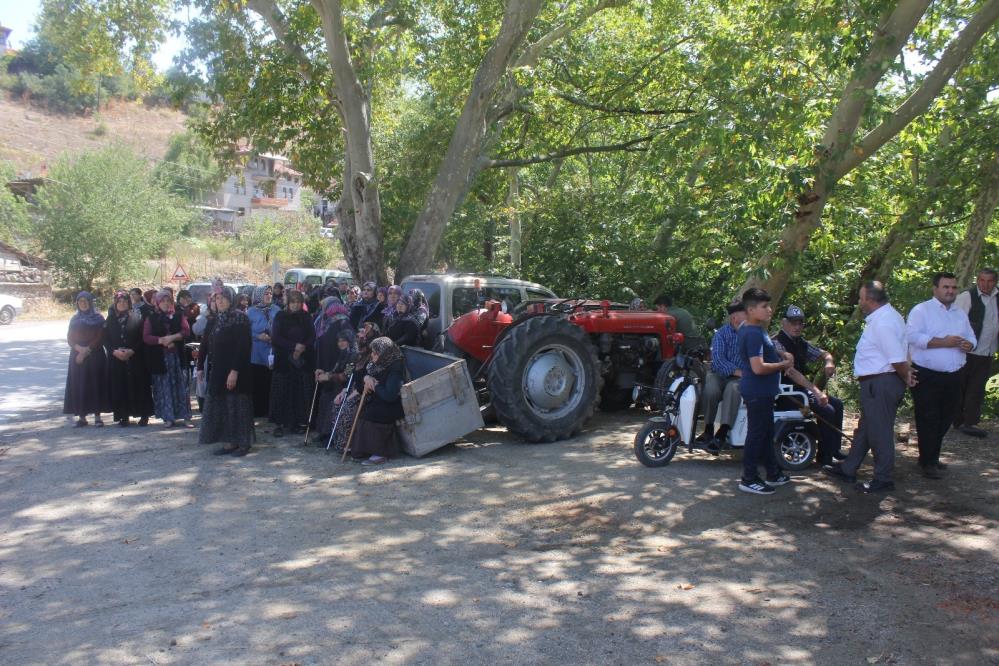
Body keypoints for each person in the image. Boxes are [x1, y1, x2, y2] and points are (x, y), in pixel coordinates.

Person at [824, 281, 915, 493]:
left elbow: (896, 358)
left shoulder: (884, 322)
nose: (859, 301)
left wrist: (906, 377)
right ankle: (848, 468)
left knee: (879, 432)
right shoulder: (886, 317)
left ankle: (883, 479)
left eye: (861, 297)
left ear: (870, 300)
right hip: (878, 382)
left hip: (881, 382)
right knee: (866, 428)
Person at [906, 272, 975, 479]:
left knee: (948, 416)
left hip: (954, 374)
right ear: (935, 288)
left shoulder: (959, 313)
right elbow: (912, 336)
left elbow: (971, 337)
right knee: (928, 417)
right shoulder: (921, 310)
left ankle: (930, 456)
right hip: (927, 374)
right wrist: (943, 342)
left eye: (953, 287)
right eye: (946, 287)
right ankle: (928, 462)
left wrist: (969, 344)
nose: (950, 291)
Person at [735, 288, 794, 495]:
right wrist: (783, 364)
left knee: (767, 432)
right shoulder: (752, 332)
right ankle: (749, 478)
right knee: (757, 434)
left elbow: (762, 349)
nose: (770, 309)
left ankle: (773, 473)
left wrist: (779, 353)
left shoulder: (752, 327)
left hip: (764, 392)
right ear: (751, 310)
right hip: (757, 391)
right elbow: (758, 367)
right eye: (764, 306)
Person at [771, 305, 846, 466]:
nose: (797, 327)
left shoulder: (801, 343)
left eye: (800, 323)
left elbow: (824, 353)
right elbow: (791, 372)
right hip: (786, 395)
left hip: (801, 392)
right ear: (784, 322)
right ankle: (824, 458)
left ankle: (833, 449)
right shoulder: (776, 343)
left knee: (838, 405)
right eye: (793, 323)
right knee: (827, 410)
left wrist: (829, 362)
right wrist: (816, 391)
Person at [199, 287, 255, 455]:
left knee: (238, 405)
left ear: (231, 299)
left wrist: (235, 371)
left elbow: (243, 347)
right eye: (217, 298)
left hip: (236, 369)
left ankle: (243, 443)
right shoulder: (215, 319)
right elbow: (205, 344)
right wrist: (200, 365)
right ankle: (229, 442)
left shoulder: (240, 318)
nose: (220, 301)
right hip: (218, 369)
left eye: (223, 298)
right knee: (223, 406)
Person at [953, 267, 998, 438]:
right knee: (961, 386)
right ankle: (957, 420)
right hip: (967, 350)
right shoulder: (967, 297)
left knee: (977, 388)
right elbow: (955, 320)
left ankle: (970, 422)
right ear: (977, 280)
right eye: (982, 280)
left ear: (995, 282)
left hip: (987, 350)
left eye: (989, 281)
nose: (985, 284)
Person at [348, 337, 405, 465]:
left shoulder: (394, 368)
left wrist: (375, 385)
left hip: (391, 405)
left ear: (384, 353)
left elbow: (390, 395)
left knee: (372, 414)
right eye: (372, 352)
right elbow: (362, 382)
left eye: (375, 353)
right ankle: (362, 450)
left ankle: (381, 453)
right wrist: (367, 378)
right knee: (362, 411)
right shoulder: (376, 365)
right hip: (379, 400)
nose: (372, 355)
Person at [699, 300, 746, 450]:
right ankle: (708, 429)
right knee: (710, 390)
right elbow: (718, 360)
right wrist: (737, 371)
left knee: (732, 389)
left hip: (739, 378)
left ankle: (722, 432)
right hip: (720, 374)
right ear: (734, 318)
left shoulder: (752, 333)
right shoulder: (721, 334)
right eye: (745, 314)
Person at [104, 291, 154, 427]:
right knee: (120, 386)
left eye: (125, 302)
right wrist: (114, 351)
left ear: (129, 303)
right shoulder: (110, 319)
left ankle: (143, 415)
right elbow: (105, 339)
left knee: (139, 386)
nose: (122, 304)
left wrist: (132, 350)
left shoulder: (137, 316)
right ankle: (123, 416)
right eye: (119, 302)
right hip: (116, 358)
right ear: (115, 304)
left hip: (135, 357)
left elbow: (142, 337)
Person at [143, 290, 193, 428]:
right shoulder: (151, 318)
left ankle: (186, 417)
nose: (165, 303)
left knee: (182, 386)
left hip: (177, 358)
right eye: (163, 301)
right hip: (161, 359)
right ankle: (168, 417)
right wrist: (161, 340)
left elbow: (186, 331)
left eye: (168, 301)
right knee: (164, 388)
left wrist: (173, 338)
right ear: (158, 302)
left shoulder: (178, 315)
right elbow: (146, 337)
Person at [270, 290, 316, 437]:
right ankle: (279, 423)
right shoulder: (281, 316)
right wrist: (293, 346)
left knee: (298, 392)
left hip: (301, 360)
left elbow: (312, 335)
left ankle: (296, 422)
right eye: (293, 302)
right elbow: (276, 337)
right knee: (282, 390)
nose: (295, 305)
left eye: (298, 302)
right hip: (284, 359)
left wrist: (302, 347)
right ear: (288, 303)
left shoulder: (306, 316)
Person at [63, 291, 109, 427]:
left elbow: (101, 337)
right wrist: (79, 349)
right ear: (77, 303)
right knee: (80, 385)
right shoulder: (74, 319)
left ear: (90, 302)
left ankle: (97, 416)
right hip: (77, 356)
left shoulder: (99, 318)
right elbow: (69, 337)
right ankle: (82, 417)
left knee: (96, 384)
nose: (83, 304)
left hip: (95, 355)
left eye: (85, 301)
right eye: (80, 301)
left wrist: (87, 350)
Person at [330, 325, 376, 451]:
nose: (359, 348)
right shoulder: (354, 357)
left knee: (346, 408)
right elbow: (351, 376)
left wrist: (350, 394)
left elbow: (350, 377)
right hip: (352, 388)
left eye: (363, 345)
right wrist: (344, 391)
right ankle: (338, 441)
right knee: (336, 404)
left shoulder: (371, 361)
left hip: (364, 392)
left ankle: (347, 444)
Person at [314, 327, 357, 446]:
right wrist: (324, 373)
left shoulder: (353, 355)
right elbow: (335, 370)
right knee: (324, 397)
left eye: (344, 340)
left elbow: (347, 375)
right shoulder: (343, 354)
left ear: (350, 341)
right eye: (339, 341)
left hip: (348, 387)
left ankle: (330, 435)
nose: (341, 343)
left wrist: (329, 377)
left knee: (331, 400)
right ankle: (323, 432)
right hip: (337, 385)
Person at [246, 285, 279, 419]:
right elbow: (246, 330)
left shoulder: (276, 310)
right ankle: (258, 410)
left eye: (270, 293)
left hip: (271, 351)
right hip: (256, 352)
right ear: (259, 295)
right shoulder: (251, 312)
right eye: (266, 293)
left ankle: (270, 410)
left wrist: (274, 336)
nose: (269, 296)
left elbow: (281, 327)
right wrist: (258, 336)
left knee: (270, 383)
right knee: (258, 382)